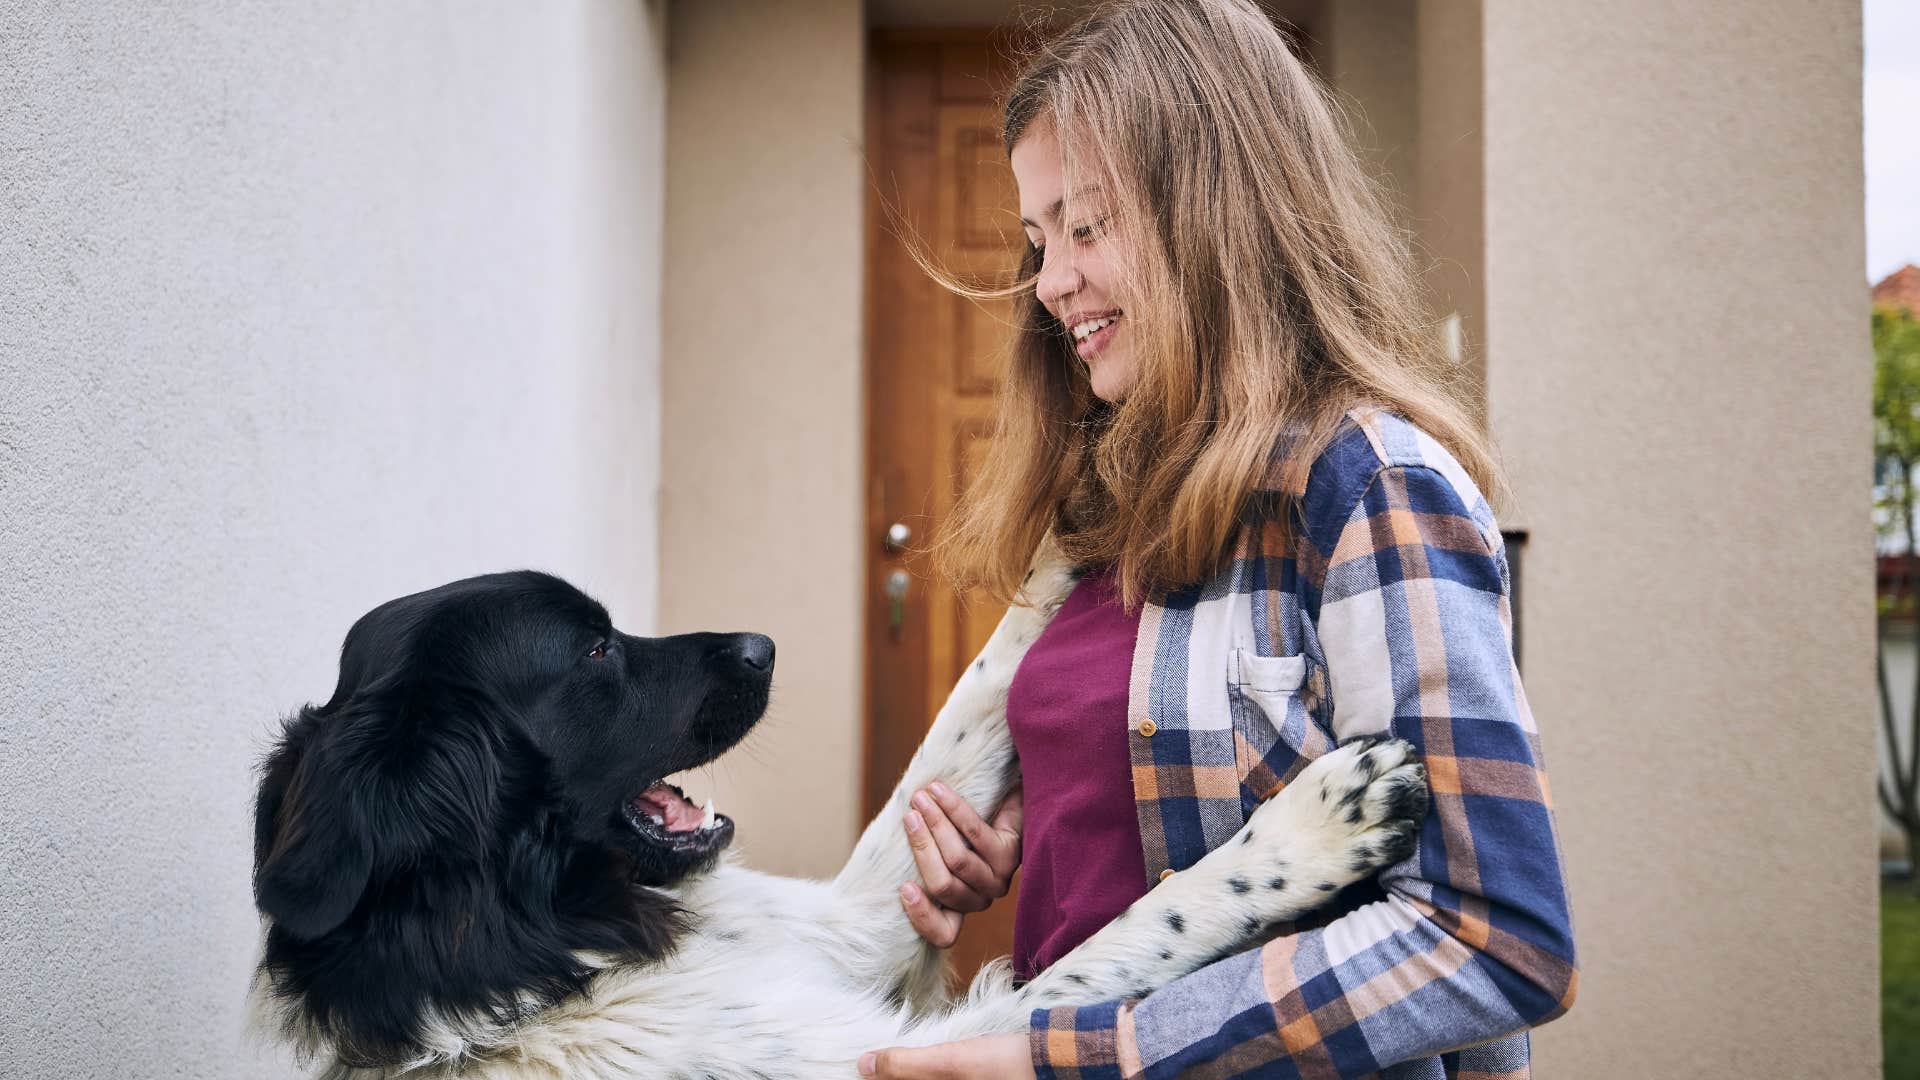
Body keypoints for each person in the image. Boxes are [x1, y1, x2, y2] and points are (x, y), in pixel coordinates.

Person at [859, 1, 1577, 1076]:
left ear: (1218, 211)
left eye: (1087, 226)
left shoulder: (1368, 486)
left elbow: (1492, 936)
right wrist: (1034, 827)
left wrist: (1083, 1056)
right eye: (1038, 238)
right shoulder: (1109, 498)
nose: (1050, 283)